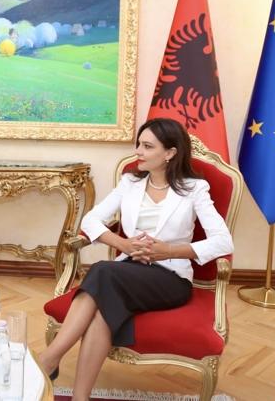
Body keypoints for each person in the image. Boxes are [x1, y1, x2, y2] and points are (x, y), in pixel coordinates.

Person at [37, 118, 233, 400]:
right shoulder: (130, 182)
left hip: (169, 278)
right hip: (127, 272)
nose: (138, 152)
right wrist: (123, 245)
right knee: (101, 311)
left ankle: (49, 359)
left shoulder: (194, 189)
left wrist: (168, 251)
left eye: (147, 146)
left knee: (102, 271)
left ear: (170, 152)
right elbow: (91, 220)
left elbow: (222, 241)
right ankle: (80, 397)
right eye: (139, 144)